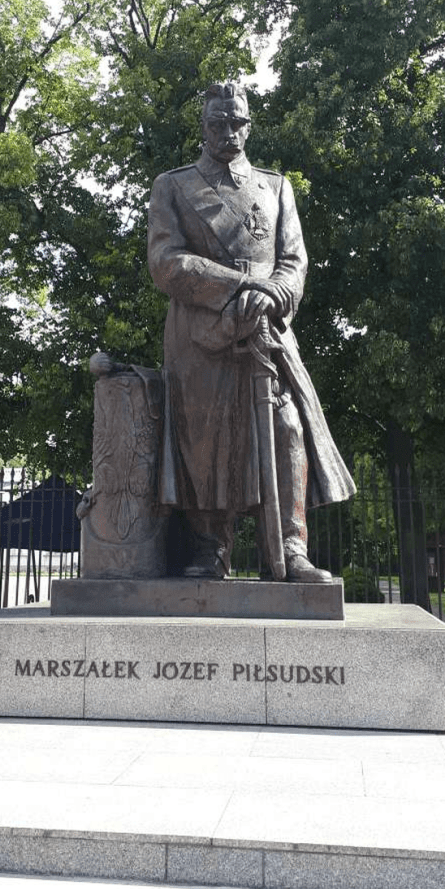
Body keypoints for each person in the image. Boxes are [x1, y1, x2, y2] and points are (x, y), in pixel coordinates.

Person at [147, 83, 355, 581]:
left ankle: (290, 547)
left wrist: (275, 293)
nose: (228, 133)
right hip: (202, 334)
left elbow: (294, 261)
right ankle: (210, 549)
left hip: (268, 330)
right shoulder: (173, 186)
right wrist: (242, 285)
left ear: (248, 125)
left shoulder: (276, 187)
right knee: (206, 441)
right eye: (217, 123)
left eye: (236, 122)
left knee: (287, 432)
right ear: (203, 127)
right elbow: (165, 263)